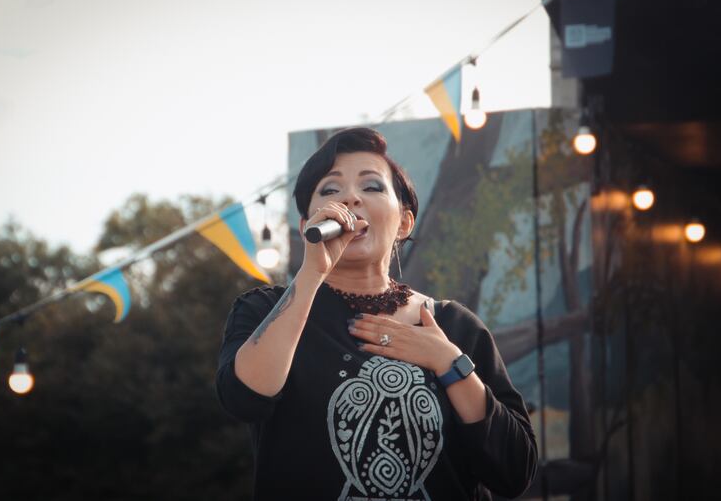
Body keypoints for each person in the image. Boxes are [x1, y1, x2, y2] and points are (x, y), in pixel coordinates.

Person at [216, 127, 538, 500]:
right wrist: (311, 273)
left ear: (404, 222)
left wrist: (448, 362)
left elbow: (515, 471)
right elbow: (243, 398)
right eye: (331, 190)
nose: (350, 198)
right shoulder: (264, 310)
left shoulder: (454, 326)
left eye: (371, 187)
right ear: (307, 227)